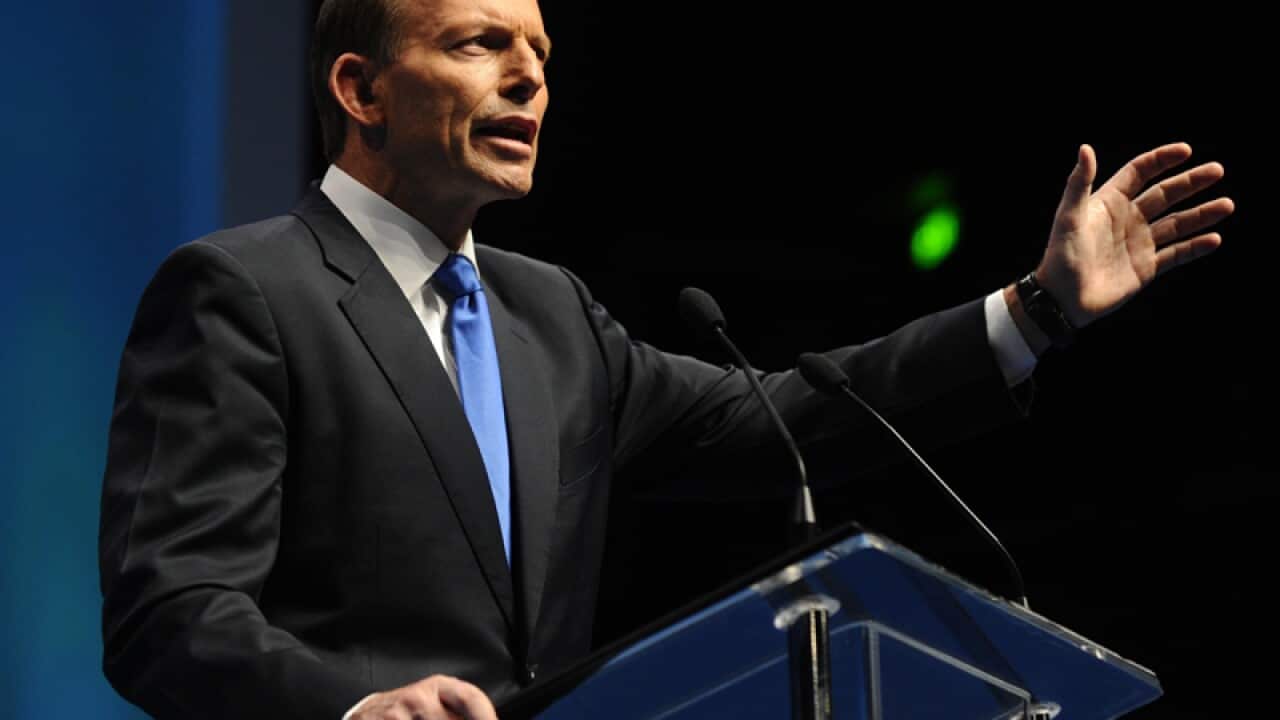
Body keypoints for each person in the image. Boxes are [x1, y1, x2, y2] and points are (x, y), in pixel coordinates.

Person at [97, 0, 1235, 718]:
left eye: (539, 50)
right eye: (480, 43)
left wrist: (1035, 310)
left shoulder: (549, 314)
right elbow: (172, 613)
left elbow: (786, 417)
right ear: (359, 90)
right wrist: (354, 710)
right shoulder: (246, 291)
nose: (532, 77)